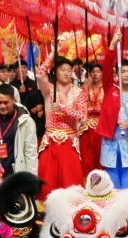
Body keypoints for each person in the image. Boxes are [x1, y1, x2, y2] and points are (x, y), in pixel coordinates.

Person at [35, 57, 88, 199]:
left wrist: (63, 108)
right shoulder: (49, 89)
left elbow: (83, 117)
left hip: (69, 140)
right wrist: (52, 54)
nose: (66, 73)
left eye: (69, 70)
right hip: (50, 139)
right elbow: (39, 74)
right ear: (55, 71)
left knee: (70, 178)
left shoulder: (79, 92)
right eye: (62, 70)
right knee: (47, 178)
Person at [97, 59, 128, 190]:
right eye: (123, 71)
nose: (126, 74)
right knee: (112, 183)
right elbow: (106, 67)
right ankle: (113, 202)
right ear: (117, 74)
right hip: (110, 144)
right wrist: (112, 47)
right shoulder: (110, 89)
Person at [79, 62, 106, 177]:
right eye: (93, 71)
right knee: (86, 158)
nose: (95, 74)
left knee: (101, 157)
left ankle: (101, 182)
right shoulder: (84, 88)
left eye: (98, 71)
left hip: (102, 127)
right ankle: (87, 183)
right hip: (86, 128)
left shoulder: (107, 88)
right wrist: (84, 87)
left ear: (102, 73)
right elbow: (79, 103)